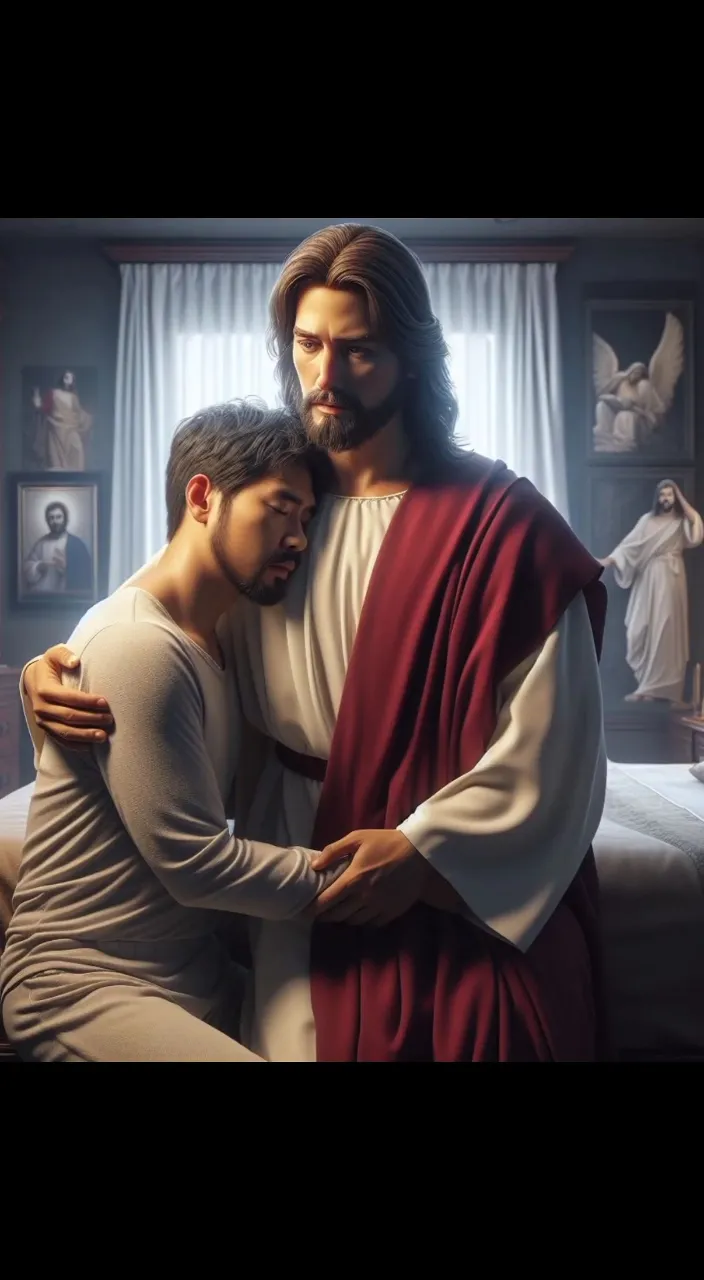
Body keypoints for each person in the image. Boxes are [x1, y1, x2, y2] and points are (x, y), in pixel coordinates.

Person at [22, 223, 609, 1064]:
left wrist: (422, 851)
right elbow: (158, 624)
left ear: (412, 357)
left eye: (358, 351)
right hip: (288, 849)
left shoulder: (501, 525)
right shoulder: (271, 502)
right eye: (307, 345)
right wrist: (52, 673)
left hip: (434, 863)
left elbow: (559, 749)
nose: (325, 377)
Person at [1, 399, 345, 1063]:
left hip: (192, 973)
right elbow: (195, 864)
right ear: (202, 497)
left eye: (306, 518)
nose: (299, 537)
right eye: (280, 508)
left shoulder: (224, 640)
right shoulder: (140, 643)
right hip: (84, 984)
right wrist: (349, 878)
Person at [598, 479, 703, 704]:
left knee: (667, 628)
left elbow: (696, 529)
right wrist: (609, 560)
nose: (666, 499)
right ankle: (646, 685)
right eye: (663, 495)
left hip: (671, 578)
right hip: (648, 578)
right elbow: (629, 546)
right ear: (657, 498)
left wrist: (682, 499)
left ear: (676, 498)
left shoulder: (679, 521)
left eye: (670, 495)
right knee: (639, 628)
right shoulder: (647, 521)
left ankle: (665, 690)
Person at [23, 500, 94, 595]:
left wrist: (67, 567)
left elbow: (86, 574)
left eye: (58, 517)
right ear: (47, 521)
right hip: (43, 596)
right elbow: (28, 566)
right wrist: (39, 566)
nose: (55, 521)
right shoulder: (41, 543)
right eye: (51, 518)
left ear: (65, 519)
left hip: (67, 597)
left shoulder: (77, 544)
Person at [32, 370, 93, 471]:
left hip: (71, 430)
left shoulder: (73, 398)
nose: (68, 380)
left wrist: (90, 418)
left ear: (73, 382)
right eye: (66, 377)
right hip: (56, 431)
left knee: (77, 450)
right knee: (56, 462)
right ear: (62, 379)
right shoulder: (54, 394)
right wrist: (36, 396)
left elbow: (79, 414)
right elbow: (43, 408)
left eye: (70, 378)